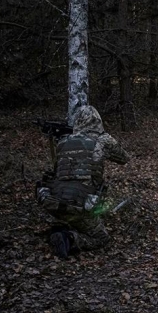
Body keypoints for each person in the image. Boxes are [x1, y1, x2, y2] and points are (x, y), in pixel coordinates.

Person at [36, 105, 130, 258]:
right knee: (102, 238)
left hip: (53, 201)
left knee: (73, 214)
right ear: (97, 121)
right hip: (80, 205)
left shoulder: (63, 141)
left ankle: (62, 227)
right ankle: (70, 238)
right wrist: (107, 139)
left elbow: (56, 170)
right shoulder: (102, 141)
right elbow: (124, 158)